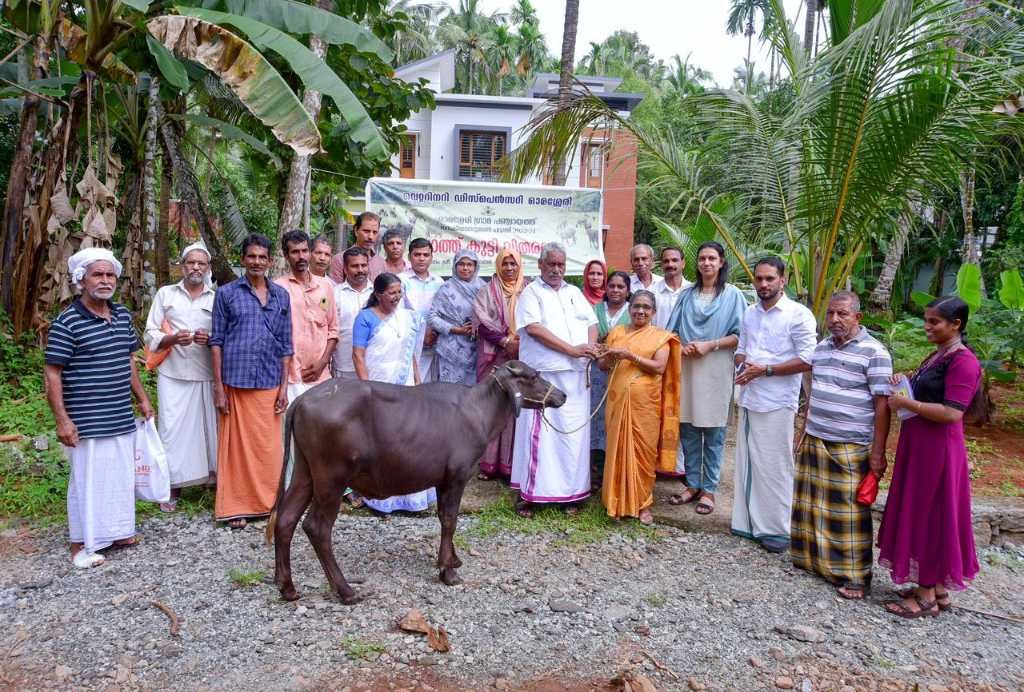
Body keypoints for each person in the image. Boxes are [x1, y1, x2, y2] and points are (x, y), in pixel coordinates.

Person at [44, 248, 154, 568]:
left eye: (109, 275)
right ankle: (81, 543)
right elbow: (52, 372)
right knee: (87, 480)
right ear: (81, 279)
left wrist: (143, 398)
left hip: (119, 414)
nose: (105, 280)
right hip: (87, 418)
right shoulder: (68, 322)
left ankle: (118, 532)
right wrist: (62, 420)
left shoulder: (121, 315)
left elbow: (129, 360)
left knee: (119, 476)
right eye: (97, 274)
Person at [878, 296, 982, 618]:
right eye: (926, 320)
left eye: (934, 322)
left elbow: (952, 412)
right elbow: (928, 390)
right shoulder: (938, 355)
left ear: (956, 325)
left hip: (939, 451)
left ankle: (925, 597)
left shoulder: (963, 361)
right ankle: (936, 587)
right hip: (921, 446)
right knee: (926, 510)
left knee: (930, 515)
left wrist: (907, 405)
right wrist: (904, 385)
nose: (927, 327)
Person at [791, 292, 892, 600]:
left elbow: (882, 406)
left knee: (849, 513)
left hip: (850, 444)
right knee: (813, 505)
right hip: (816, 437)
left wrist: (877, 453)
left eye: (842, 314)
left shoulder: (875, 353)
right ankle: (815, 563)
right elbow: (814, 394)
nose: (834, 319)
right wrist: (802, 432)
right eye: (831, 313)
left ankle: (856, 576)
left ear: (857, 317)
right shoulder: (820, 350)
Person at [732, 257, 816, 552]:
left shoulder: (798, 314)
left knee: (776, 465)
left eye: (770, 279)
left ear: (783, 280)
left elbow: (807, 359)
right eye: (759, 279)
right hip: (749, 396)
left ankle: (777, 530)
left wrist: (765, 370)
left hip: (778, 401)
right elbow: (741, 350)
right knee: (749, 461)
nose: (764, 284)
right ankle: (747, 523)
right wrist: (744, 365)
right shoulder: (750, 313)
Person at [210, 234, 293, 529]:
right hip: (236, 381)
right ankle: (236, 507)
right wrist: (219, 387)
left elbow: (286, 343)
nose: (257, 262)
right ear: (243, 259)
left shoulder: (281, 296)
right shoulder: (227, 293)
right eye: (251, 257)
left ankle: (270, 504)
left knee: (270, 449)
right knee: (235, 450)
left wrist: (284, 387)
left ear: (270, 261)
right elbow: (216, 341)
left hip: (270, 381)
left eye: (262, 257)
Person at [511, 242, 600, 517]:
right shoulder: (530, 293)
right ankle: (532, 495)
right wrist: (572, 349)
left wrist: (590, 349)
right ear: (540, 265)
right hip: (544, 378)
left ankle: (571, 495)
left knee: (574, 436)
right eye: (552, 264)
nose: (557, 270)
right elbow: (535, 329)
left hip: (576, 375)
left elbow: (592, 323)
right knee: (542, 436)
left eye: (561, 265)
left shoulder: (574, 292)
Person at [666, 241, 747, 513]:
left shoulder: (733, 295)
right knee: (688, 429)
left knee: (713, 431)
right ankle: (692, 484)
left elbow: (740, 336)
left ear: (722, 262)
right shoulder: (687, 295)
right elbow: (672, 332)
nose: (707, 263)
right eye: (702, 258)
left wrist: (710, 344)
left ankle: (709, 489)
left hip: (716, 368)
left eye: (712, 258)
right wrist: (683, 344)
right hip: (687, 367)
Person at [353, 272, 436, 513]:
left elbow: (410, 354)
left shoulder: (407, 318)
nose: (397, 297)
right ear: (378, 295)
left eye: (399, 292)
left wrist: (418, 382)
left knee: (409, 438)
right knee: (382, 440)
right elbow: (358, 355)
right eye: (391, 293)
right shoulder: (365, 318)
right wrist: (366, 389)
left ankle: (412, 497)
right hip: (379, 386)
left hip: (406, 386)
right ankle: (381, 497)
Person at [145, 242, 217, 512]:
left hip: (207, 374)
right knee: (172, 431)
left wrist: (210, 339)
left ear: (208, 268)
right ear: (182, 266)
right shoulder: (166, 294)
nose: (195, 267)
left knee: (210, 431)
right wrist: (172, 338)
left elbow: (227, 334)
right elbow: (150, 330)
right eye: (191, 262)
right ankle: (173, 486)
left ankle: (213, 481)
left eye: (201, 263)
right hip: (173, 374)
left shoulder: (216, 297)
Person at [599, 290, 682, 525]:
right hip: (617, 403)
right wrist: (609, 357)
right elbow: (603, 365)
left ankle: (643, 504)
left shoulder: (661, 337)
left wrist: (629, 355)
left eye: (646, 307)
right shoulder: (617, 332)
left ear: (654, 312)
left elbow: (658, 367)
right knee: (616, 451)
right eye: (636, 306)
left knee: (644, 456)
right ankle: (614, 502)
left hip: (646, 407)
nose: (640, 311)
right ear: (629, 308)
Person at [473, 247, 526, 480]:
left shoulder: (529, 290)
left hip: (522, 355)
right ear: (497, 265)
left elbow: (535, 321)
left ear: (520, 266)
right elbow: (481, 322)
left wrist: (519, 343)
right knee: (492, 408)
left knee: (517, 408)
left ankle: (512, 464)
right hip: (494, 356)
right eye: (505, 263)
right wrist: (506, 341)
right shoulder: (486, 291)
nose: (509, 268)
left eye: (513, 264)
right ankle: (488, 464)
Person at [274, 230, 338, 404]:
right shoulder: (278, 289)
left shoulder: (325, 287)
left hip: (321, 375)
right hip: (291, 377)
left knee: (324, 430)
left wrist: (322, 363)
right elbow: (274, 335)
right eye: (295, 252)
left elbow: (333, 329)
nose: (300, 256)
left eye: (304, 251)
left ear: (310, 252)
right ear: (286, 256)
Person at [590, 271, 632, 485]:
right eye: (612, 286)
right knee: (596, 415)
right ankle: (596, 469)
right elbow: (588, 335)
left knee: (616, 414)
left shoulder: (632, 311)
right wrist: (600, 349)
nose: (615, 290)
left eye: (620, 287)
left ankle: (615, 469)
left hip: (622, 370)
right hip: (597, 371)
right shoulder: (595, 309)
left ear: (628, 290)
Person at [430, 249, 486, 385]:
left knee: (472, 394)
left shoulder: (484, 288)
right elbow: (432, 317)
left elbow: (492, 315)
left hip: (477, 347)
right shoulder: (446, 288)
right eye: (461, 264)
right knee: (449, 394)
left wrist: (480, 327)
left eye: (470, 264)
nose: (465, 268)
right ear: (455, 266)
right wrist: (456, 329)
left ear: (476, 266)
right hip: (451, 349)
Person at [401, 237, 444, 382]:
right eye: (417, 254)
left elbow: (443, 313)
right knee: (409, 385)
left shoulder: (439, 282)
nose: (421, 259)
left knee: (429, 387)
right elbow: (399, 313)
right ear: (409, 257)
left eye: (426, 255)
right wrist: (421, 334)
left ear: (431, 257)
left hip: (433, 341)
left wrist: (434, 333)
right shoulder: (401, 280)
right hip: (409, 343)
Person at [332, 247, 374, 380]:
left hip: (374, 365)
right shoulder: (334, 294)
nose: (360, 270)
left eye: (364, 265)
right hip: (345, 366)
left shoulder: (378, 293)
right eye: (355, 266)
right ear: (345, 269)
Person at [328, 212, 383, 284]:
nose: (370, 237)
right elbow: (335, 291)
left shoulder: (381, 262)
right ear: (356, 231)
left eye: (374, 232)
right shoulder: (340, 260)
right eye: (366, 231)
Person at [652, 247, 692, 329]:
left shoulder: (693, 291)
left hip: (687, 341)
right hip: (659, 341)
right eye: (666, 261)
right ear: (662, 265)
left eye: (674, 260)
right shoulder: (651, 292)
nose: (670, 264)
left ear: (683, 263)